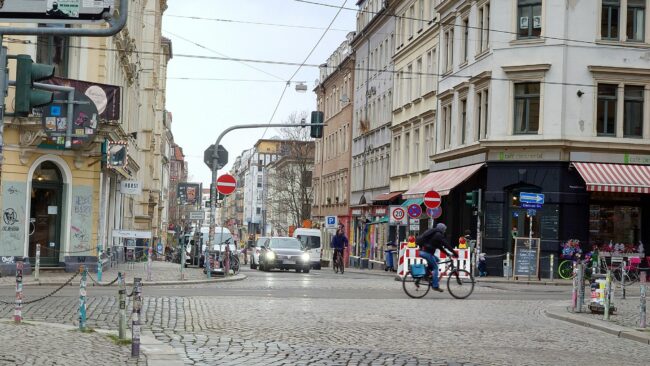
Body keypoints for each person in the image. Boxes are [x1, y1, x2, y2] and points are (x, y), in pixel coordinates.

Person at [415, 223, 457, 292]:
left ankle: (425, 275)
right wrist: (455, 253)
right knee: (435, 268)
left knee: (437, 260)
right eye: (444, 230)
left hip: (424, 251)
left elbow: (440, 247)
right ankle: (435, 286)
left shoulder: (435, 234)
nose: (445, 231)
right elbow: (446, 244)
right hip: (427, 253)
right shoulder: (438, 235)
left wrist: (448, 254)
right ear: (442, 229)